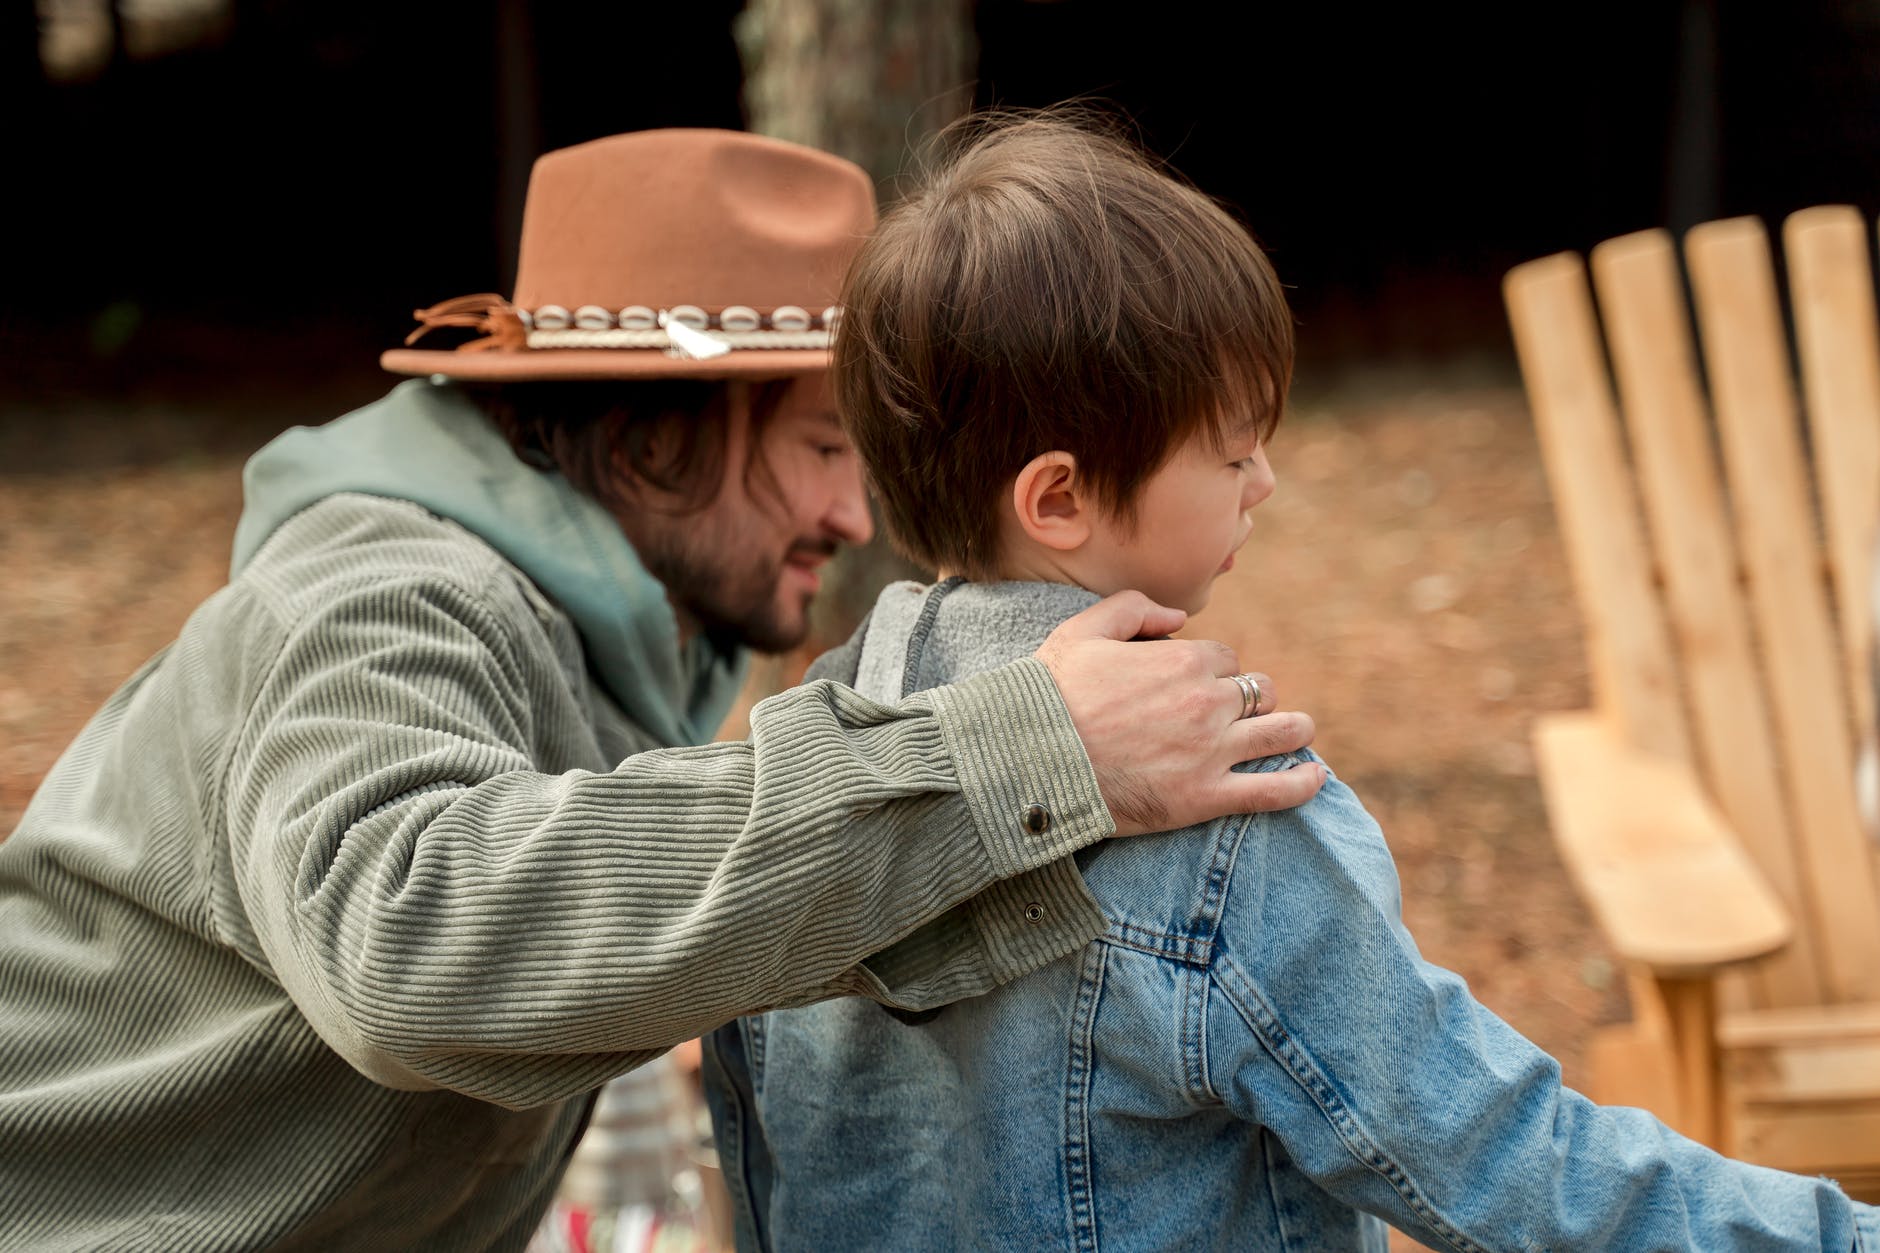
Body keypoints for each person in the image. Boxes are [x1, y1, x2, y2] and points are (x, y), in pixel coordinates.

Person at [0, 129, 1326, 1249]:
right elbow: (408, 944)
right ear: (647, 432)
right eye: (819, 445)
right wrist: (1014, 754)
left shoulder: (613, 636)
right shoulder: (384, 592)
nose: (855, 513)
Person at [700, 111, 1880, 1251]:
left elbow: (759, 1157)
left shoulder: (797, 768)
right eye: (1226, 450)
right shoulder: (1214, 809)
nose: (1262, 480)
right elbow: (1499, 1161)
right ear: (1055, 498)